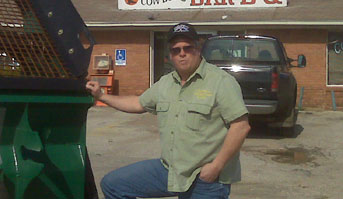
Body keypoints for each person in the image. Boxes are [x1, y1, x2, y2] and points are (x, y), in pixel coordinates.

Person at [86, 23, 251, 199]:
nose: (182, 53)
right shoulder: (165, 83)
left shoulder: (221, 82)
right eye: (176, 50)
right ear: (170, 55)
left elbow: (240, 127)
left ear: (198, 48)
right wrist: (102, 96)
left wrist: (216, 166)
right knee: (114, 185)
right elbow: (138, 103)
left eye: (187, 47)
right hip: (170, 169)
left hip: (204, 179)